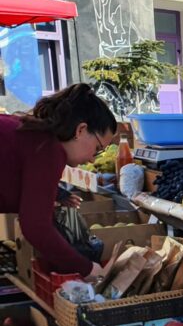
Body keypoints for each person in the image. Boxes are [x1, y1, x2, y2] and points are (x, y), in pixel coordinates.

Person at [0, 83, 115, 279]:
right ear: (80, 130)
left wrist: (56, 194)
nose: (93, 159)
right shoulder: (49, 149)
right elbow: (36, 227)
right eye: (97, 148)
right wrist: (87, 268)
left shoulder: (36, 135)